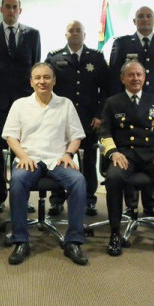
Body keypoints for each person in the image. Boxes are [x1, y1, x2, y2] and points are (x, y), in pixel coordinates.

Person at [2, 63, 87, 266]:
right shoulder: (20, 104)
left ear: (54, 80)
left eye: (47, 77)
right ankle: (21, 241)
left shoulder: (65, 104)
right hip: (29, 159)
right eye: (37, 78)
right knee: (18, 181)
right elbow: (11, 137)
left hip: (57, 159)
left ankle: (73, 241)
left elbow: (76, 136)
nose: (42, 81)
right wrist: (22, 156)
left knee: (78, 181)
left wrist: (69, 153)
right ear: (31, 82)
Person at [98, 60, 154, 257]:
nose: (135, 78)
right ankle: (116, 233)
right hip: (124, 156)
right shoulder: (113, 102)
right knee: (114, 179)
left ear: (144, 78)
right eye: (131, 75)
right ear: (122, 78)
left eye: (139, 75)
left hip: (150, 156)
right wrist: (113, 153)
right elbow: (104, 132)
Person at [108, 5, 154, 216]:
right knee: (129, 144)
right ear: (134, 21)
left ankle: (150, 204)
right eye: (140, 17)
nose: (144, 20)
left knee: (150, 146)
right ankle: (130, 204)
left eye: (148, 16)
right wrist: (116, 103)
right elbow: (114, 75)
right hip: (127, 102)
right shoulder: (122, 43)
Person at [0, 0, 41, 213]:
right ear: (1, 9)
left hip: (25, 101)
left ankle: (22, 196)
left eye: (15, 7)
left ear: (20, 10)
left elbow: (35, 68)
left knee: (23, 150)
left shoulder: (33, 34)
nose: (11, 11)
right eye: (7, 7)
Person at [44, 20, 109, 216]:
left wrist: (100, 114)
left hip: (89, 119)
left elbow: (106, 89)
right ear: (66, 35)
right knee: (58, 158)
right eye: (70, 30)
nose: (74, 33)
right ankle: (57, 199)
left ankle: (89, 199)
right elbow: (46, 87)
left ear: (84, 34)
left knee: (88, 160)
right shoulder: (54, 57)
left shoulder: (96, 58)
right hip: (60, 119)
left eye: (78, 30)